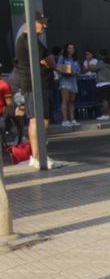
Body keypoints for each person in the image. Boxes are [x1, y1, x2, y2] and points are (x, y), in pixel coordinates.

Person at [14, 11, 56, 169]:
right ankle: (39, 156)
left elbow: (47, 61)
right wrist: (49, 62)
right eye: (41, 22)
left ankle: (37, 156)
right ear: (31, 23)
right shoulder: (31, 41)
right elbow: (51, 62)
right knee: (41, 120)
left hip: (32, 84)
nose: (45, 26)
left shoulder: (25, 40)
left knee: (36, 120)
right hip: (37, 84)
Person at [56, 43, 80, 127]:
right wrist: (67, 70)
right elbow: (58, 68)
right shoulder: (62, 58)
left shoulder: (75, 59)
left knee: (71, 101)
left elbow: (78, 71)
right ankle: (65, 120)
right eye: (69, 48)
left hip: (73, 81)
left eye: (73, 48)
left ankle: (72, 119)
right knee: (65, 100)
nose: (71, 50)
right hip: (65, 81)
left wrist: (74, 72)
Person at [88, 49, 110, 120]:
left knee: (104, 100)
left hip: (102, 83)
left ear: (100, 55)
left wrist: (88, 61)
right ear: (108, 54)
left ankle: (105, 115)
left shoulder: (101, 62)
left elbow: (92, 69)